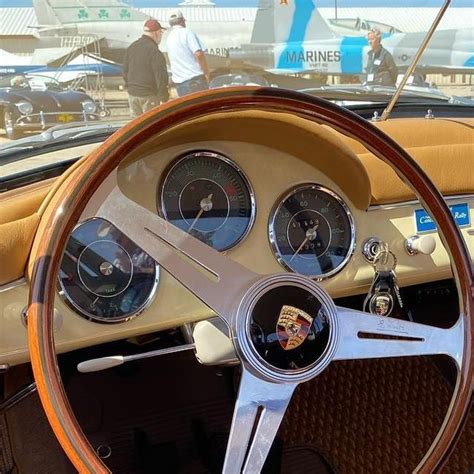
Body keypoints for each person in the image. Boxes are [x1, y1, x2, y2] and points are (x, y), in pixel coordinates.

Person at [123, 19, 169, 117]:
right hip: (149, 96)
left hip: (132, 95)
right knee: (151, 127)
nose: (161, 35)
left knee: (136, 128)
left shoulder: (132, 47)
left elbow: (125, 70)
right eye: (161, 32)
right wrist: (163, 98)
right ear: (156, 33)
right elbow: (161, 76)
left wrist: (129, 86)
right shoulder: (154, 51)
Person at [166, 10, 210, 97]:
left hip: (180, 85)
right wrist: (206, 73)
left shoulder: (169, 38)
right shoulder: (187, 33)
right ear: (182, 20)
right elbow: (198, 54)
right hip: (195, 82)